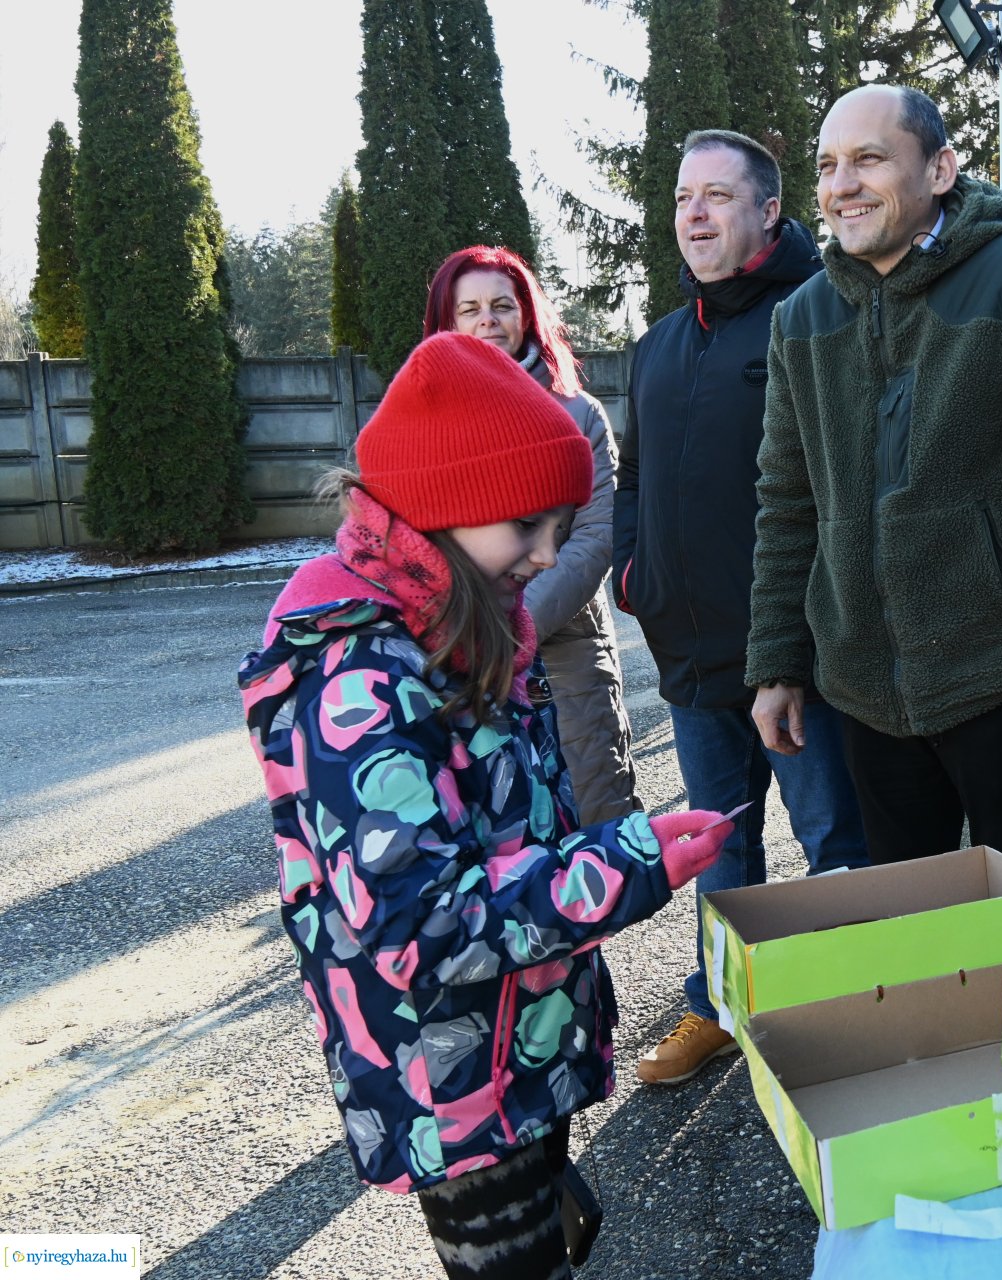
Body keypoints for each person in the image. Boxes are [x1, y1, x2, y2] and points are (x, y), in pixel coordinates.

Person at [238, 331, 737, 1280]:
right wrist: (623, 867)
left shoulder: (462, 621)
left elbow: (509, 829)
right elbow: (424, 923)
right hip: (454, 1080)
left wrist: (613, 849)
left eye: (559, 525)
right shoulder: (358, 682)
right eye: (526, 527)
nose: (547, 554)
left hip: (512, 1048)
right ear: (448, 508)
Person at [746, 85, 1002, 880]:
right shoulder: (801, 318)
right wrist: (777, 662)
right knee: (910, 921)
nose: (842, 185)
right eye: (826, 166)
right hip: (865, 691)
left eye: (868, 159)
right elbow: (787, 505)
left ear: (939, 169)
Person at [612, 129, 868, 1086]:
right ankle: (720, 1004)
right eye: (684, 198)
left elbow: (842, 487)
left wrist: (799, 642)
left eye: (717, 196)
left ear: (768, 210)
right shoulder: (658, 345)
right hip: (691, 659)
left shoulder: (818, 316)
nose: (695, 214)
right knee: (718, 845)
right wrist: (634, 576)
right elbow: (632, 478)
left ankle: (855, 1010)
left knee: (835, 841)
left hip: (799, 661)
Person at [424, 245, 639, 825]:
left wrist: (511, 629)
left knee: (592, 820)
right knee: (488, 827)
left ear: (527, 313)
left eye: (502, 305)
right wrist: (463, 631)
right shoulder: (424, 417)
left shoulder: (578, 413)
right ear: (447, 320)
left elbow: (595, 536)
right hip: (456, 645)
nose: (487, 321)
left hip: (563, 648)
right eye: (469, 309)